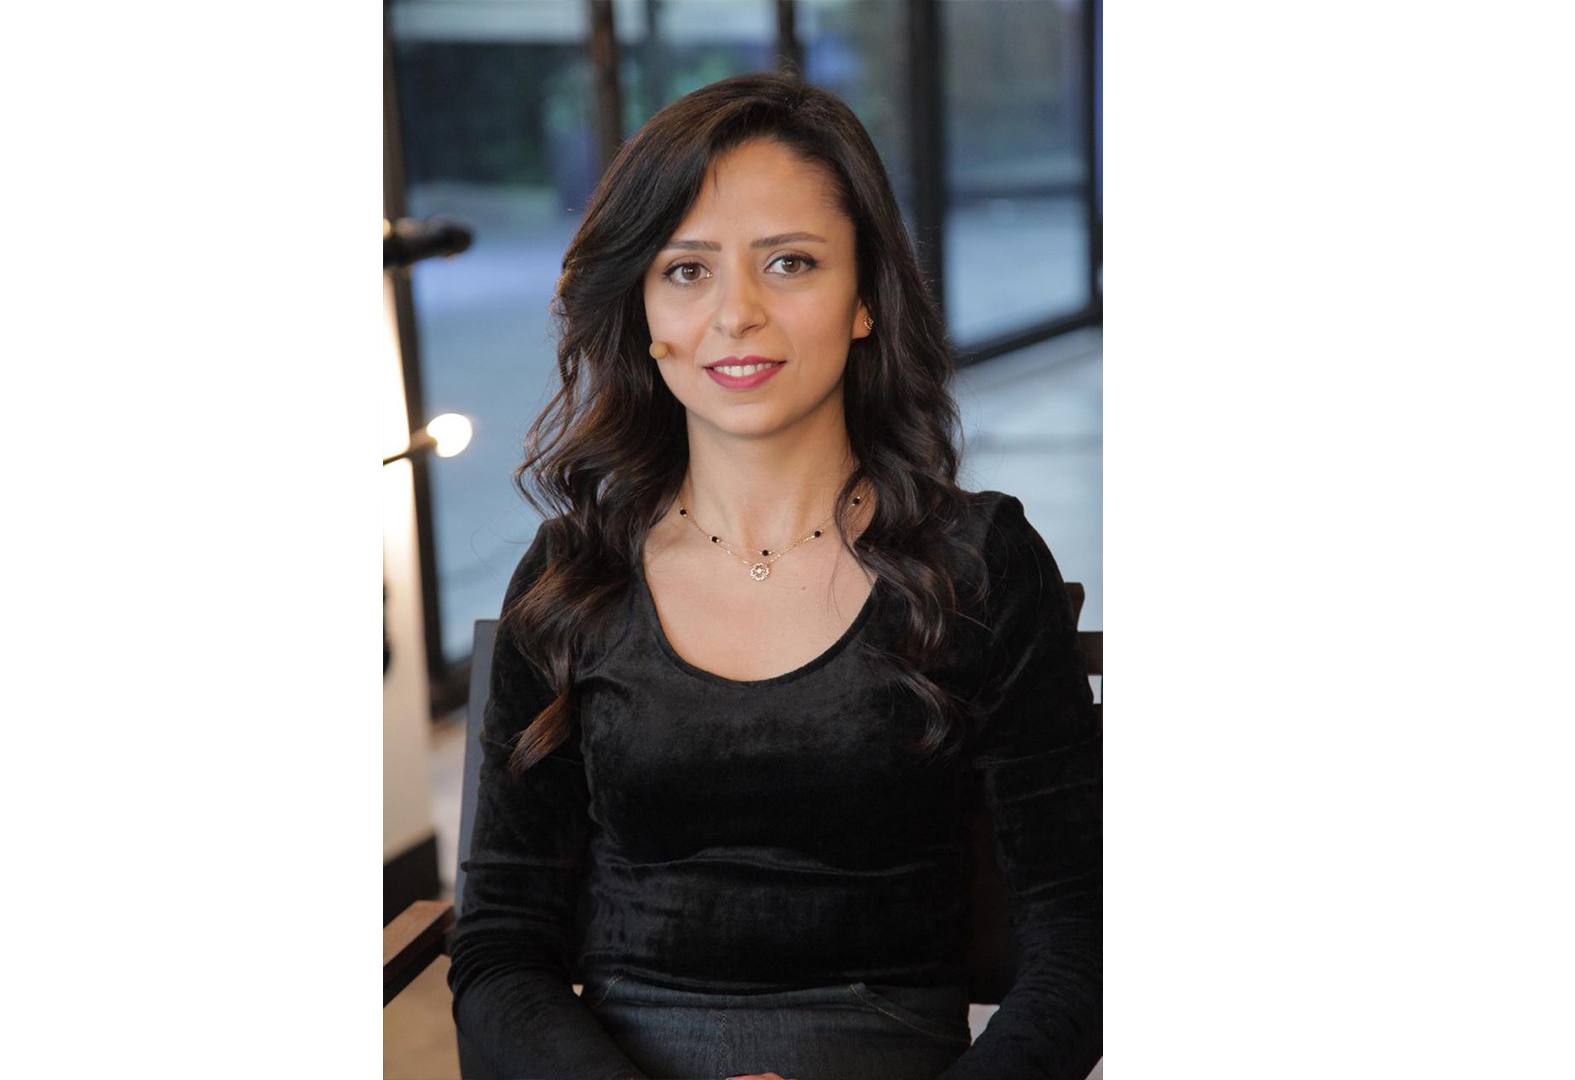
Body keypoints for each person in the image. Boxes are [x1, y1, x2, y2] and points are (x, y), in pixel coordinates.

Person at [445, 70, 1100, 1080]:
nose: (736, 314)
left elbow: (1080, 945)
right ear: (643, 310)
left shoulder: (979, 564)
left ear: (865, 299)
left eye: (789, 262)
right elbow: (498, 950)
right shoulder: (575, 576)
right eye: (687, 269)